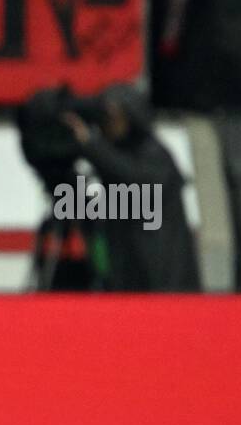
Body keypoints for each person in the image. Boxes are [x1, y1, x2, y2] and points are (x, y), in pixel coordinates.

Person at [61, 84, 201, 291]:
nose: (109, 123)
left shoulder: (153, 154)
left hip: (161, 274)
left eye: (115, 115)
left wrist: (91, 144)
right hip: (127, 266)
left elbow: (136, 181)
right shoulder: (112, 152)